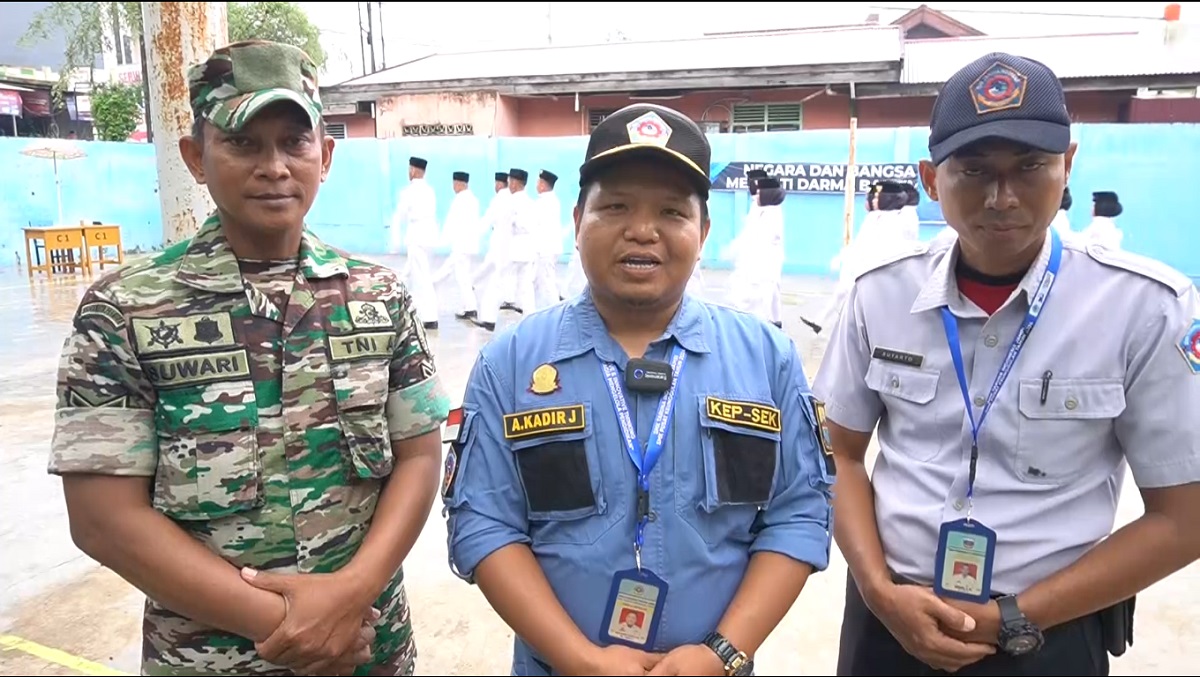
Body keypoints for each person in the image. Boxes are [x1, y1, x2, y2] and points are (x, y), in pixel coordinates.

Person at [47, 39, 451, 677]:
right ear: (195, 157)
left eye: (295, 142)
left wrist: (349, 596)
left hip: (367, 646)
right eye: (242, 142)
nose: (274, 166)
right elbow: (103, 521)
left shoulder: (378, 296)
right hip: (212, 659)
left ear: (326, 155)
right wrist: (295, 626)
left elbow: (420, 456)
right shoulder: (125, 310)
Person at [814, 51, 1200, 676]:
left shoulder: (1147, 308)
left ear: (1068, 165)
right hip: (890, 622)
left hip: (1047, 635)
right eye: (973, 170)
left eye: (1030, 167)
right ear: (932, 178)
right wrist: (879, 591)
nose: (1002, 197)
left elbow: (1185, 517)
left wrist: (1017, 616)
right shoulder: (879, 294)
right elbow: (840, 453)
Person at [442, 102, 835, 677]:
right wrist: (580, 660)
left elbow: (799, 513)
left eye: (671, 212)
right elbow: (483, 524)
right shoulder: (509, 364)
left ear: (702, 231)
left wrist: (720, 654)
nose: (643, 231)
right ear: (577, 220)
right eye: (616, 206)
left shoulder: (766, 359)